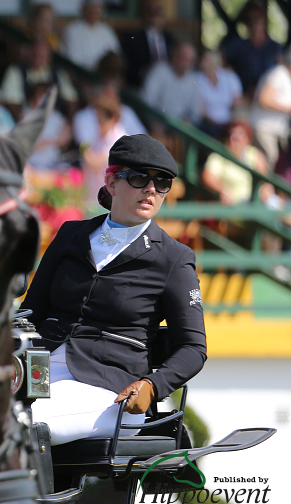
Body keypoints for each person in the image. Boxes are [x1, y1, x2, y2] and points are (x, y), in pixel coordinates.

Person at [23, 134, 207, 445]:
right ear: (111, 183)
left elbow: (193, 348)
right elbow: (31, 312)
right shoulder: (70, 235)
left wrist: (152, 385)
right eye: (139, 178)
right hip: (38, 372)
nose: (151, 189)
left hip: (109, 390)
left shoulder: (174, 259)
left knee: (17, 426)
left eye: (162, 183)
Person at [250, 47, 291, 169]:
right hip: (262, 128)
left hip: (277, 133)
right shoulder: (279, 73)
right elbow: (264, 99)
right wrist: (288, 109)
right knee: (269, 159)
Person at [141, 41, 201, 125]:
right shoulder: (159, 71)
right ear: (174, 56)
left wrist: (189, 121)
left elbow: (196, 111)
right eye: (182, 57)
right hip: (157, 122)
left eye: (189, 60)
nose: (185, 62)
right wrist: (154, 122)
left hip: (181, 127)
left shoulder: (192, 79)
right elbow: (146, 102)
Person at [60, 0, 120, 72]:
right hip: (81, 74)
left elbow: (115, 55)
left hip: (104, 75)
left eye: (97, 9)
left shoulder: (106, 30)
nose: (94, 12)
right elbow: (72, 60)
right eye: (91, 9)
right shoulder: (72, 30)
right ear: (83, 10)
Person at [121, 0, 174, 89]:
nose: (155, 14)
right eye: (151, 12)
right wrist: (145, 70)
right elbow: (126, 66)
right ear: (144, 15)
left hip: (168, 85)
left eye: (158, 12)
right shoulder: (133, 38)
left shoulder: (170, 39)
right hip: (141, 84)